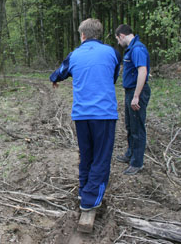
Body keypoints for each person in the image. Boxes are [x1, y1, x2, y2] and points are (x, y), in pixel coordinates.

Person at [50, 19, 121, 211]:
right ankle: (90, 199)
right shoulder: (113, 53)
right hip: (104, 114)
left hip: (81, 115)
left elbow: (59, 73)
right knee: (101, 156)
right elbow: (113, 77)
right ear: (98, 34)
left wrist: (54, 79)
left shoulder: (74, 55)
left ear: (82, 35)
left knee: (87, 154)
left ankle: (84, 190)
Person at [115, 24, 151, 175]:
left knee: (137, 127)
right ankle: (130, 154)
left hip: (137, 93)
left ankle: (137, 163)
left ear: (122, 36)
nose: (118, 43)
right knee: (130, 125)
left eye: (117, 39)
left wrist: (136, 96)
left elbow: (143, 71)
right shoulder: (132, 48)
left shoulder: (137, 49)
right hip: (130, 91)